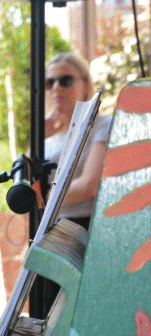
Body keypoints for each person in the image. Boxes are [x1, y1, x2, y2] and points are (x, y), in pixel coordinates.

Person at [44, 52, 111, 231]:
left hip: (88, 228)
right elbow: (26, 183)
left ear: (86, 85)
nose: (56, 88)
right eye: (49, 83)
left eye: (65, 80)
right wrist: (39, 137)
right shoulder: (47, 135)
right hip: (49, 227)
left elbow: (88, 186)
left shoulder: (102, 125)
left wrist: (44, 197)